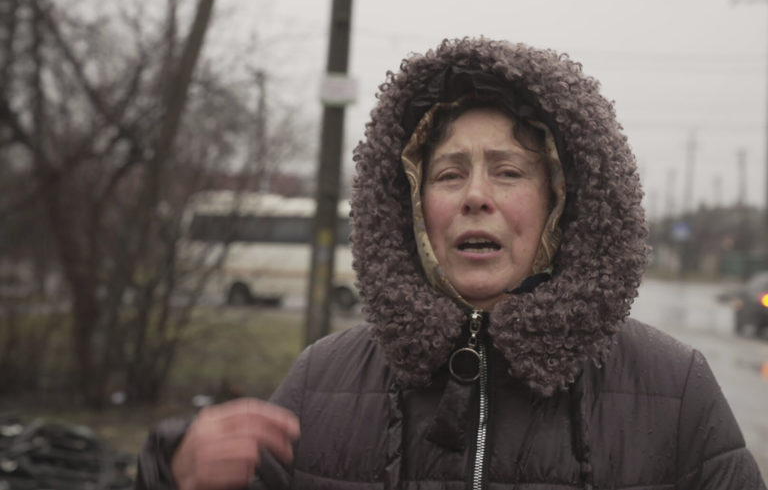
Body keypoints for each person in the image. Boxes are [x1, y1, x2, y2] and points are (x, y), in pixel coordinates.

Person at [136, 37, 767, 490]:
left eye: (509, 171)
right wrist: (171, 474)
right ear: (413, 207)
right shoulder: (318, 381)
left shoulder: (675, 390)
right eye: (448, 174)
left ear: (562, 201)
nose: (475, 196)